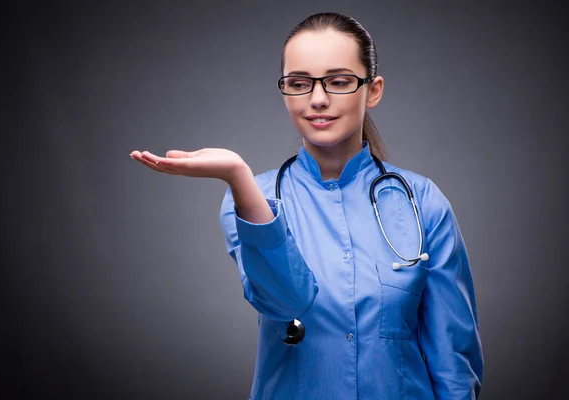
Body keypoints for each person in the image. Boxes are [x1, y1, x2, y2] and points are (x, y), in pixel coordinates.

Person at [130, 12, 483, 400]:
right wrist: (237, 175)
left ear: (373, 90)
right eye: (299, 83)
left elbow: (453, 360)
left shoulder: (423, 202)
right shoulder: (250, 200)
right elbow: (286, 300)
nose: (317, 99)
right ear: (285, 92)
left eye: (339, 81)